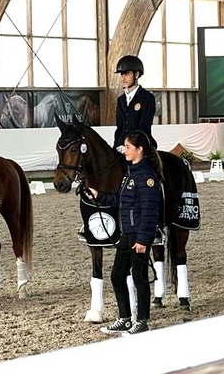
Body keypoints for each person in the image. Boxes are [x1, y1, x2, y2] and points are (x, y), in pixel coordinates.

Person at [87, 130, 161, 336]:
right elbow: (119, 201)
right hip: (127, 234)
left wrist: (143, 239)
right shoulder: (130, 173)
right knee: (117, 276)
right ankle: (125, 318)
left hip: (138, 235)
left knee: (139, 277)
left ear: (140, 149)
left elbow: (149, 211)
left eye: (128, 147)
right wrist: (98, 196)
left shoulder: (147, 177)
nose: (124, 150)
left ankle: (142, 321)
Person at [113, 55, 157, 152]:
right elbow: (120, 127)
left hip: (141, 147)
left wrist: (129, 146)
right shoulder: (121, 100)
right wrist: (117, 145)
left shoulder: (147, 98)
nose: (123, 78)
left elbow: (144, 127)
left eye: (126, 74)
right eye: (122, 74)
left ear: (136, 74)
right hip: (122, 147)